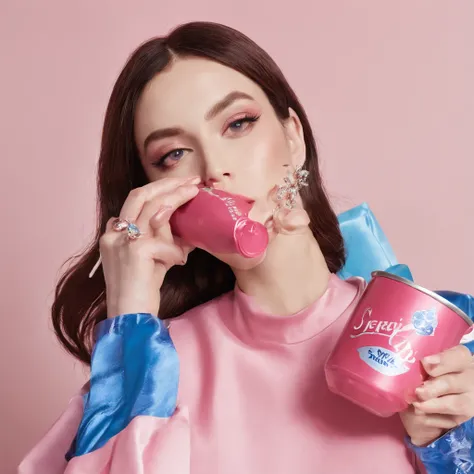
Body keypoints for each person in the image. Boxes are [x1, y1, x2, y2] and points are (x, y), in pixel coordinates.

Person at [19, 21, 474, 474]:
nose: (216, 169)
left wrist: (452, 447)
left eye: (238, 124)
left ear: (293, 136)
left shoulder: (435, 343)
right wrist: (130, 313)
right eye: (173, 154)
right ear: (155, 194)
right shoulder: (152, 366)